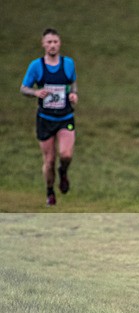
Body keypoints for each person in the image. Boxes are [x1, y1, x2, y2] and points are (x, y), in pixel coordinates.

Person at [20, 28, 79, 207]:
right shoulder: (36, 66)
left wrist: (74, 95)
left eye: (55, 42)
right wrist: (36, 92)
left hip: (65, 117)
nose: (52, 45)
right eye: (49, 42)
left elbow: (73, 84)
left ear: (59, 43)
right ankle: (50, 192)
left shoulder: (68, 63)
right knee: (49, 160)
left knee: (66, 155)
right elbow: (23, 88)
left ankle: (64, 172)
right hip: (45, 119)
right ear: (43, 44)